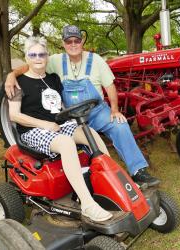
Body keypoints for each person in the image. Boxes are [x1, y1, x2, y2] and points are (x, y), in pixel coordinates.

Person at [5, 25, 160, 188]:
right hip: (70, 117)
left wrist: (114, 110)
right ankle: (91, 177)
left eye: (76, 40)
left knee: (120, 126)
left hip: (96, 112)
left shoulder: (96, 61)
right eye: (69, 41)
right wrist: (11, 75)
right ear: (64, 43)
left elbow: (110, 86)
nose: (73, 44)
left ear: (81, 42)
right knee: (74, 141)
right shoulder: (55, 61)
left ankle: (138, 172)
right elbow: (31, 66)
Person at [8, 36, 112, 222]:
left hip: (58, 125)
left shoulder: (53, 79)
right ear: (26, 57)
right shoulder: (17, 83)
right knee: (66, 143)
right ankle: (87, 204)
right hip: (33, 131)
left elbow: (61, 106)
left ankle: (112, 184)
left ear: (47, 56)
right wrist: (44, 124)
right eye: (33, 54)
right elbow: (14, 115)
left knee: (91, 134)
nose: (38, 58)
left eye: (42, 54)